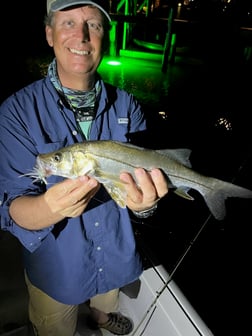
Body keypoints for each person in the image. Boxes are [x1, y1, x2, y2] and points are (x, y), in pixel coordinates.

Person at [0, 0, 168, 335]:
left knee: (106, 302)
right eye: (68, 24)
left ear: (105, 37)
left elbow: (141, 184)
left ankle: (101, 319)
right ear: (49, 34)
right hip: (57, 269)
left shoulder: (127, 104)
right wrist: (49, 207)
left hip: (116, 255)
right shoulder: (16, 112)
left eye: (93, 24)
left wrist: (146, 207)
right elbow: (13, 206)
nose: (81, 35)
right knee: (54, 327)